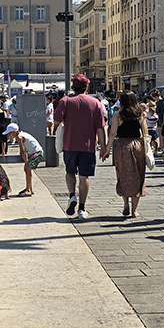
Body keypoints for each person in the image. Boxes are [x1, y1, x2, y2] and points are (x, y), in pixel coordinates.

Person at [54, 74, 108, 219]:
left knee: (70, 172)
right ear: (86, 87)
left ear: (73, 87)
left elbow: (56, 119)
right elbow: (100, 127)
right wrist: (103, 147)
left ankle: (72, 195)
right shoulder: (95, 103)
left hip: (69, 145)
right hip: (88, 146)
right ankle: (82, 209)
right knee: (84, 177)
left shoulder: (65, 101)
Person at [103, 91, 148, 218]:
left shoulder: (118, 115)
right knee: (138, 175)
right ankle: (134, 210)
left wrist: (107, 149)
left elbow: (112, 133)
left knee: (123, 174)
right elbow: (145, 132)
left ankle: (125, 204)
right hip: (137, 145)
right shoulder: (140, 114)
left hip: (122, 146)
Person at [4, 123, 43, 197]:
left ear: (14, 132)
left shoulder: (19, 137)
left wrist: (26, 161)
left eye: (10, 133)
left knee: (27, 169)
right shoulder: (21, 134)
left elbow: (23, 151)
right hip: (34, 153)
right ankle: (29, 189)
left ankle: (28, 190)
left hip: (37, 153)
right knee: (27, 169)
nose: (9, 135)